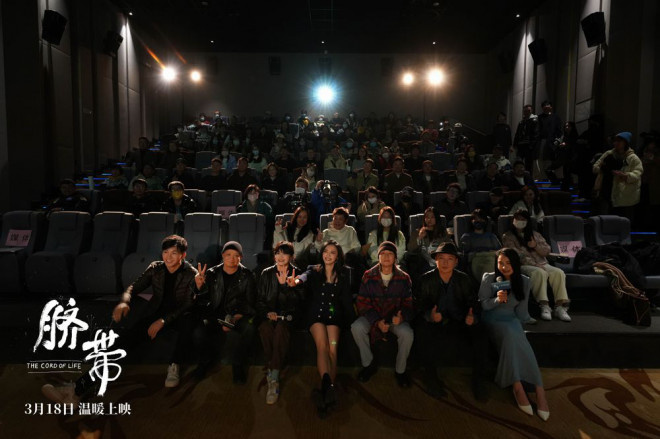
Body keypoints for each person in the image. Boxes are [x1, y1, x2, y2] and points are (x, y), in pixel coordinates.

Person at [42, 235, 199, 403]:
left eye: (174, 253)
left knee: (188, 320)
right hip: (154, 314)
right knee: (120, 347)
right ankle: (76, 390)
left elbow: (187, 304)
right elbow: (132, 287)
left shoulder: (191, 274)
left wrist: (163, 321)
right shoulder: (156, 268)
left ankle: (174, 365)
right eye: (165, 252)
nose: (168, 257)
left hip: (179, 316)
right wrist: (124, 301)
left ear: (183, 255)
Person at [478, 249, 549, 421]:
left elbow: (522, 312)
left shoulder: (524, 281)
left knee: (519, 337)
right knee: (511, 333)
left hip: (511, 319)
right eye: (500, 263)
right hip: (492, 318)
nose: (504, 267)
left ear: (515, 264)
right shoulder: (489, 278)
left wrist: (524, 321)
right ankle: (517, 387)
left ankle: (539, 391)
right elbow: (483, 305)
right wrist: (497, 299)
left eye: (508, 263)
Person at [415, 241, 488, 400]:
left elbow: (473, 303)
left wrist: (472, 317)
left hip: (459, 319)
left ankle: (479, 380)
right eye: (441, 258)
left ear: (456, 262)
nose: (445, 263)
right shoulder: (426, 279)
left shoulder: (464, 279)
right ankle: (430, 378)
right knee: (422, 330)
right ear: (436, 260)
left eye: (450, 259)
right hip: (436, 321)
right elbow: (418, 305)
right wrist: (429, 315)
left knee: (480, 332)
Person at [295, 240, 355, 417]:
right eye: (326, 251)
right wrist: (296, 280)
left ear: (337, 257)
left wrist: (351, 320)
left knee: (333, 349)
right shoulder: (314, 270)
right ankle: (329, 386)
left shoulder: (344, 274)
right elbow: (303, 277)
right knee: (322, 346)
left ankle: (326, 390)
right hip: (316, 316)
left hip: (334, 317)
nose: (328, 255)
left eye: (332, 252)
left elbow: (346, 301)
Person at [191, 241, 257, 383]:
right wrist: (199, 287)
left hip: (236, 316)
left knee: (249, 329)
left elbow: (250, 304)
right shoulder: (212, 273)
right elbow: (202, 302)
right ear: (222, 256)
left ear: (241, 257)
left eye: (236, 255)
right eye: (228, 255)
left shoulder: (247, 275)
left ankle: (238, 365)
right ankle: (204, 362)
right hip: (214, 316)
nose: (232, 258)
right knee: (198, 331)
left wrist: (235, 318)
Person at [352, 241, 414, 387]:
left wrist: (401, 317)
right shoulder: (368, 275)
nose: (386, 257)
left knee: (407, 333)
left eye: (390, 253)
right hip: (373, 317)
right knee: (356, 327)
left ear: (395, 257)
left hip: (393, 319)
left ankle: (400, 371)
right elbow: (362, 303)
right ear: (378, 257)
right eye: (383, 254)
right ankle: (368, 364)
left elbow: (409, 304)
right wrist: (376, 321)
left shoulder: (404, 277)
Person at [256, 241, 304, 405]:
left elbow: (299, 302)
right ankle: (274, 367)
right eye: (278, 253)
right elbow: (260, 300)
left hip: (289, 317)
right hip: (270, 316)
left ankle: (273, 376)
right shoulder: (266, 273)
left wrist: (285, 286)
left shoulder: (297, 273)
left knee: (280, 330)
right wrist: (267, 313)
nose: (281, 257)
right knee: (265, 328)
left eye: (285, 253)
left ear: (291, 256)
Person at [502, 209, 571, 322]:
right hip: (523, 265)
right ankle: (544, 305)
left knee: (559, 272)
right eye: (517, 218)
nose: (520, 221)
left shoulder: (535, 234)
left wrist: (535, 246)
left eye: (523, 219)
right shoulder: (508, 236)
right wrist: (535, 264)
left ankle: (559, 307)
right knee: (539, 273)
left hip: (542, 263)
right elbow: (516, 255)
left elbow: (547, 250)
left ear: (527, 221)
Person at [592, 131, 643, 220]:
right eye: (615, 141)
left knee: (622, 219)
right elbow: (595, 167)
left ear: (625, 143)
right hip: (606, 189)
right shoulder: (609, 153)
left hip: (624, 194)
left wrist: (625, 175)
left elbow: (638, 173)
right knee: (605, 218)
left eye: (619, 141)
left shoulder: (633, 158)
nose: (615, 143)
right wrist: (603, 168)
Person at [459, 209, 502, 280]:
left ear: (485, 221)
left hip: (493, 260)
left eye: (481, 219)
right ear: (471, 221)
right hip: (477, 262)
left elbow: (500, 252)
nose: (478, 221)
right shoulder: (467, 237)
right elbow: (464, 255)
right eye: (476, 219)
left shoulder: (491, 236)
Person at [513, 104, 540, 172]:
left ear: (531, 111)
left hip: (528, 145)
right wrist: (515, 144)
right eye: (525, 111)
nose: (526, 112)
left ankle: (528, 177)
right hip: (521, 145)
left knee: (528, 164)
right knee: (518, 162)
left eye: (528, 111)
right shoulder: (521, 122)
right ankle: (519, 175)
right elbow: (517, 133)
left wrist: (531, 145)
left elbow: (536, 134)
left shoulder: (534, 121)